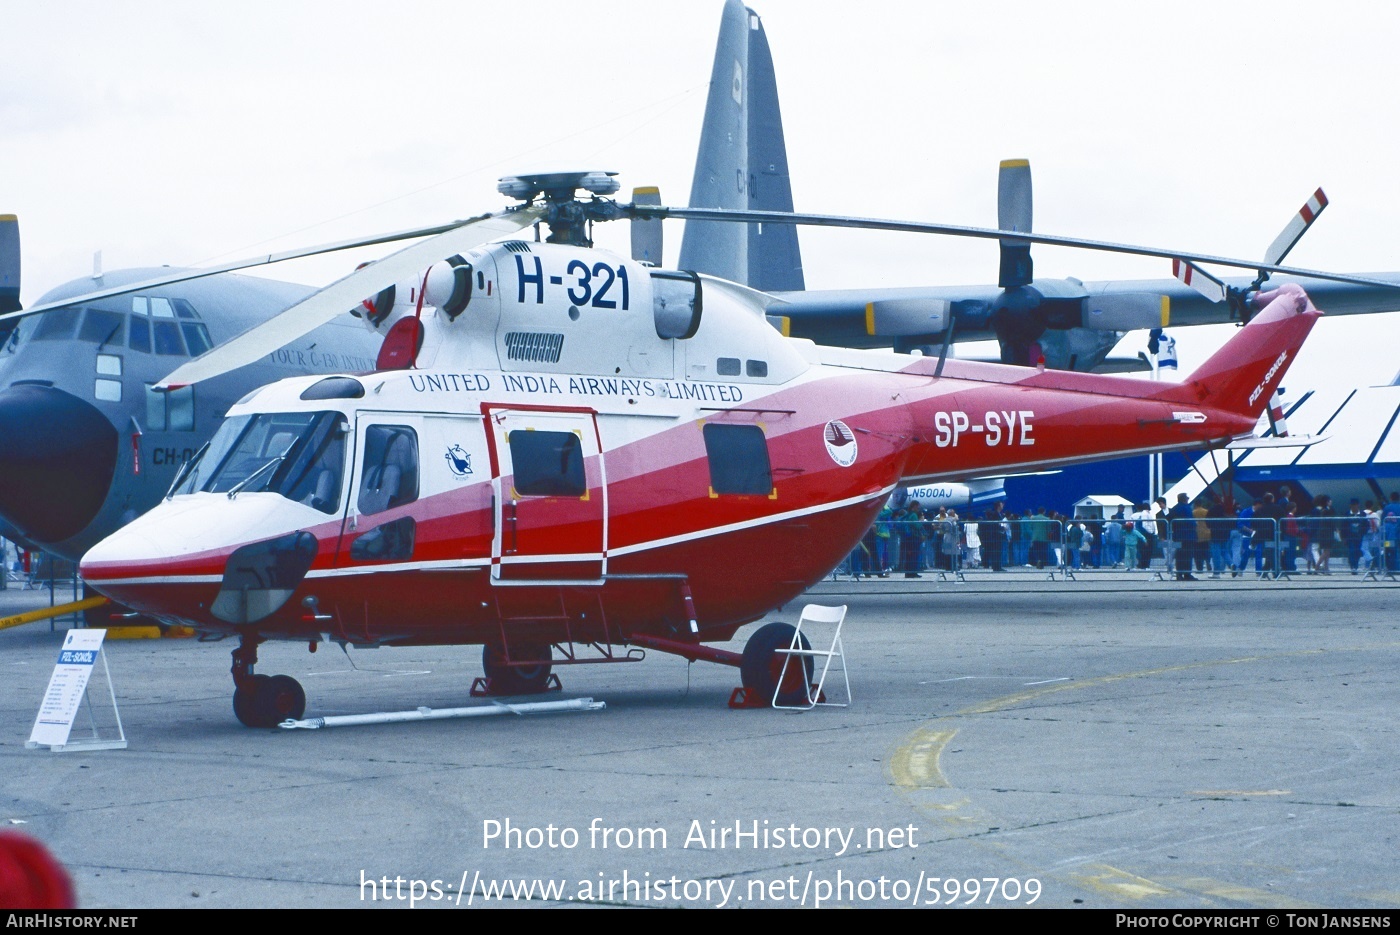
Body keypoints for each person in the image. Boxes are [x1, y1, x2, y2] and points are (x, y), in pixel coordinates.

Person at [1168, 493, 1197, 580]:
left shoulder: (1175, 508)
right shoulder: (1187, 508)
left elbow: (1169, 519)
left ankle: (1179, 573)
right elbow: (1191, 521)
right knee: (1188, 555)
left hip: (1178, 535)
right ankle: (1187, 574)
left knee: (1179, 555)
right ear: (1185, 499)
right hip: (1188, 535)